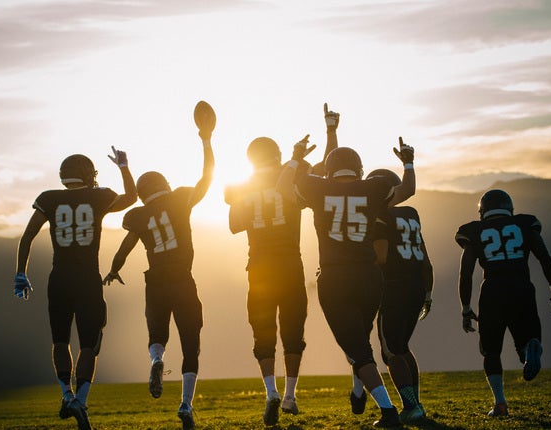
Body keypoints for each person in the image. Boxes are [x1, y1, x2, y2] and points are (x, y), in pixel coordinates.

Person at [276, 123, 417, 428]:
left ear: (329, 170)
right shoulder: (374, 187)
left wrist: (295, 158)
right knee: (360, 341)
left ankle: (388, 410)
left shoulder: (317, 186)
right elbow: (408, 190)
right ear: (359, 168)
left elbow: (282, 190)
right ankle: (357, 390)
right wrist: (408, 162)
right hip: (369, 276)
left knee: (356, 348)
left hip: (336, 277)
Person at [103, 103, 215, 430]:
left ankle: (156, 361)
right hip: (182, 278)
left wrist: (113, 268)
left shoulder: (137, 217)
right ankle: (185, 404)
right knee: (191, 342)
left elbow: (127, 245)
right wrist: (206, 141)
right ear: (164, 184)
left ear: (141, 194)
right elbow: (207, 177)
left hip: (156, 281)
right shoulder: (180, 199)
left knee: (157, 334)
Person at [14, 148, 137, 430]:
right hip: (87, 280)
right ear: (86, 174)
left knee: (60, 341)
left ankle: (66, 395)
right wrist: (124, 167)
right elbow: (131, 197)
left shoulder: (49, 199)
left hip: (59, 279)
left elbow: (28, 236)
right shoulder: (99, 196)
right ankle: (80, 399)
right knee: (89, 345)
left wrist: (20, 272)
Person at [223, 115, 330, 425]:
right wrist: (330, 133)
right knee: (293, 331)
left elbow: (232, 226)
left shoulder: (245, 185)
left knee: (263, 331)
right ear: (277, 154)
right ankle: (289, 396)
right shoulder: (291, 175)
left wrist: (238, 200)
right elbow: (326, 171)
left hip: (258, 265)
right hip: (289, 262)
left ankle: (270, 391)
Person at [455, 189, 551, 417]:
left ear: (483, 211)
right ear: (509, 208)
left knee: (490, 351)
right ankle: (530, 348)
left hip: (492, 291)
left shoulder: (474, 232)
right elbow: (544, 258)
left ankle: (500, 404)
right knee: (525, 342)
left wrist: (466, 309)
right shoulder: (525, 225)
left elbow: (465, 273)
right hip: (522, 287)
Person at [366, 168, 433, 423]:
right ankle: (415, 404)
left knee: (390, 351)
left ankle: (411, 405)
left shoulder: (380, 215)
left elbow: (381, 256)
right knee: (402, 347)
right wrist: (428, 292)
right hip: (416, 284)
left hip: (394, 287)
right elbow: (426, 261)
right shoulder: (411, 214)